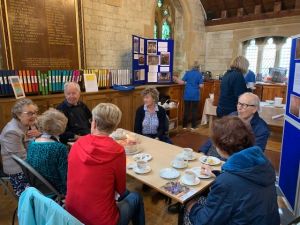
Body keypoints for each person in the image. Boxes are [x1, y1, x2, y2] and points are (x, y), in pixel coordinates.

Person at [186, 116, 280, 225]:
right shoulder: (264, 163)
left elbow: (204, 222)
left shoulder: (226, 182)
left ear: (221, 146)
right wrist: (217, 174)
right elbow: (243, 185)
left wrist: (189, 203)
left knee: (190, 209)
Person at [66, 103, 145, 225]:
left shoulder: (77, 144)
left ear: (95, 123)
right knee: (136, 197)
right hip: (101, 220)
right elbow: (121, 189)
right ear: (114, 127)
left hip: (71, 215)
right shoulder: (117, 151)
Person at [200, 92, 270, 157]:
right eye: (239, 103)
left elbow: (255, 155)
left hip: (238, 160)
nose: (239, 108)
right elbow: (216, 135)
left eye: (244, 105)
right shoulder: (232, 115)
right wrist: (202, 151)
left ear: (254, 109)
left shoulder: (261, 129)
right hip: (217, 153)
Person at [0, 98, 40, 196]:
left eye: (35, 112)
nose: (34, 116)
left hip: (29, 165)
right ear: (18, 114)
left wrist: (39, 134)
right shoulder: (12, 132)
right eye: (30, 113)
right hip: (19, 171)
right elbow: (22, 160)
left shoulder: (28, 123)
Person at [27, 108, 68, 195]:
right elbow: (65, 177)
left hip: (38, 189)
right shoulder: (60, 148)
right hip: (56, 189)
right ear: (61, 127)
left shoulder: (32, 143)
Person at [173, 62, 203, 129]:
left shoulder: (188, 73)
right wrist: (197, 85)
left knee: (186, 110)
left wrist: (175, 78)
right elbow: (201, 86)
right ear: (198, 67)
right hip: (195, 95)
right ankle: (193, 126)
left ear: (192, 67)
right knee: (194, 111)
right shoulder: (199, 74)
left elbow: (181, 82)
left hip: (187, 94)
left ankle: (184, 126)